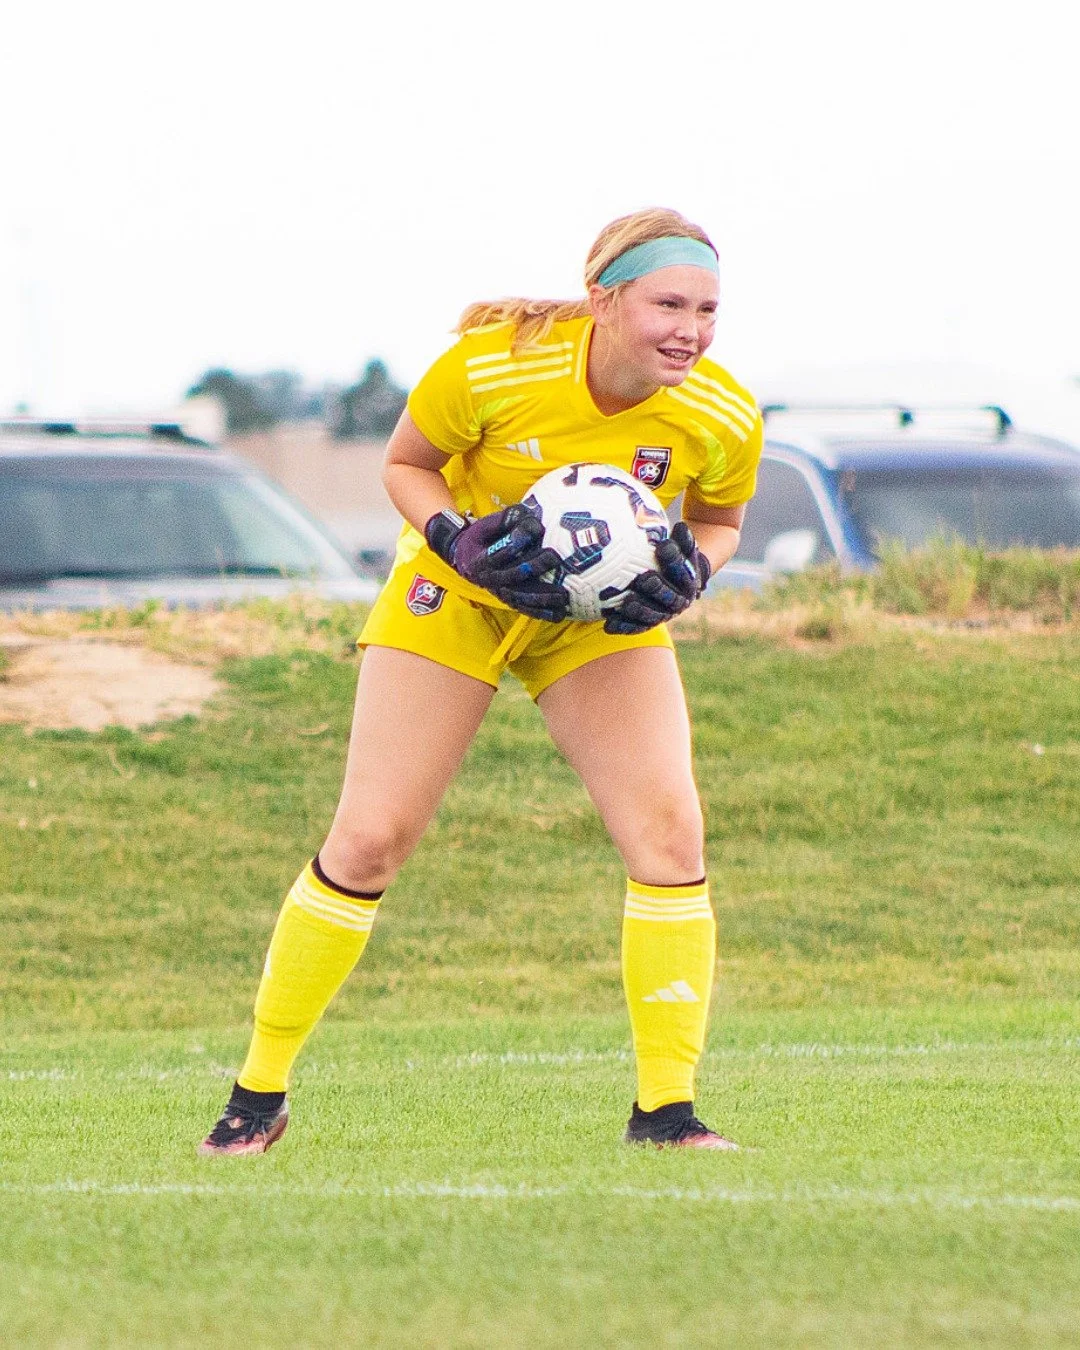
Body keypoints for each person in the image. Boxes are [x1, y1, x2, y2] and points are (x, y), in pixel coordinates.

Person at [199, 206, 764, 1156]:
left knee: (670, 833)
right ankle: (256, 1096)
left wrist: (690, 575)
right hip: (456, 593)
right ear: (604, 298)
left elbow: (720, 521)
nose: (691, 330)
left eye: (708, 310)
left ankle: (667, 1115)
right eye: (670, 302)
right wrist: (455, 539)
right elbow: (406, 463)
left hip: (590, 622)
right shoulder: (494, 363)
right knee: (371, 840)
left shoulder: (719, 410)